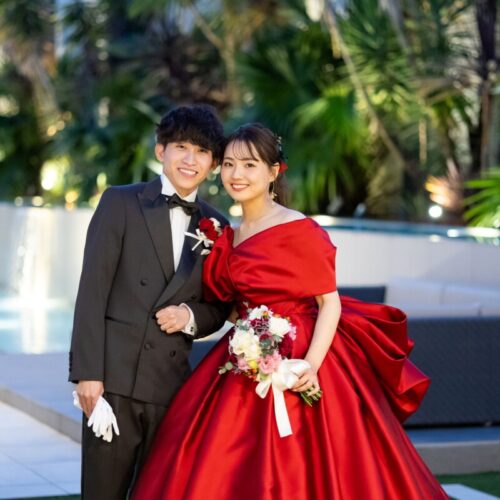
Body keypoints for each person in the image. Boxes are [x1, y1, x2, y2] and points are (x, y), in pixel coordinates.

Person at [132, 123, 448, 499]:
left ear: (273, 172)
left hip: (306, 354)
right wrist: (205, 318)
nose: (236, 174)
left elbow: (329, 302)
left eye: (249, 165)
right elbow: (233, 309)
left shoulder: (299, 229)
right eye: (229, 164)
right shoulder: (228, 235)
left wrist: (310, 366)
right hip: (248, 353)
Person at [68, 104, 231, 499]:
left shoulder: (218, 225)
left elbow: (221, 305)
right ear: (161, 150)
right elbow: (92, 292)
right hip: (113, 383)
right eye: (181, 147)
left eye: (202, 151)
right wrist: (87, 375)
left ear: (213, 164)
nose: (190, 160)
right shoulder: (120, 202)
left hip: (170, 388)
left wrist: (190, 315)